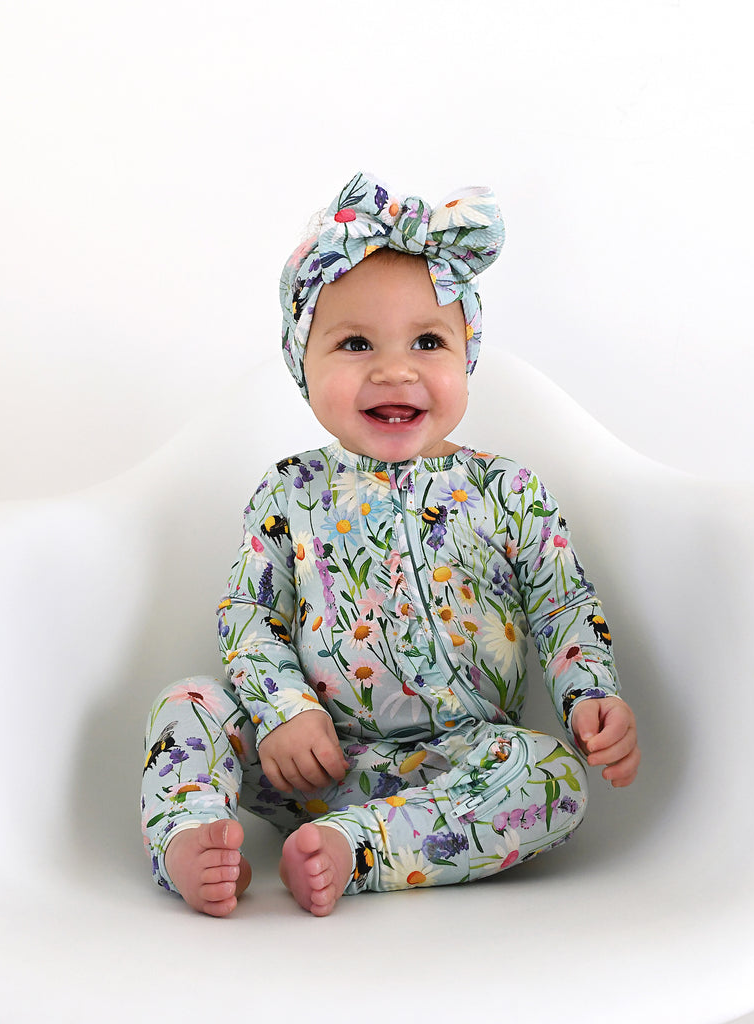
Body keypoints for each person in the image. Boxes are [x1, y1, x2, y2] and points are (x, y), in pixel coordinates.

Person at [140, 171, 640, 918]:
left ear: (467, 356)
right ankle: (190, 837)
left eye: (428, 341)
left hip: (459, 769)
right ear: (302, 367)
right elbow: (250, 616)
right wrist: (283, 711)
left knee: (553, 776)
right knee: (187, 702)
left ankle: (359, 848)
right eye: (355, 344)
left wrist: (591, 693)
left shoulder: (508, 490)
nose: (394, 369)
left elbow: (563, 604)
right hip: (308, 762)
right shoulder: (289, 491)